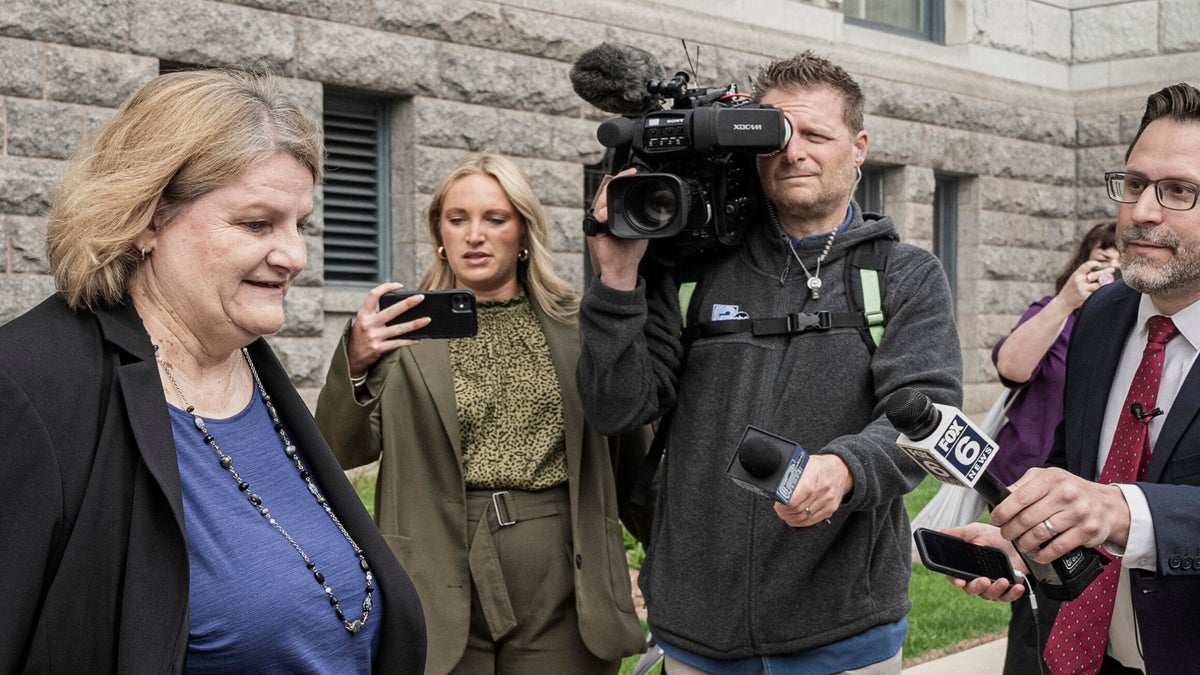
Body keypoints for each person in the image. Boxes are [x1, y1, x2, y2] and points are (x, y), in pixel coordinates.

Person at [0, 70, 426, 673]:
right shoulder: (28, 384)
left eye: (300, 224)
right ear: (148, 218)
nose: (295, 256)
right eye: (256, 224)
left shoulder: (252, 368)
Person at [578, 51, 962, 673]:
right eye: (777, 136)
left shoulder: (903, 274)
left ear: (859, 148)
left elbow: (929, 415)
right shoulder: (690, 270)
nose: (794, 153)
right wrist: (618, 280)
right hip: (697, 632)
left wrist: (844, 470)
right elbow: (616, 408)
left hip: (843, 631)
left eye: (816, 135)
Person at [315, 152, 646, 674]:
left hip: (564, 569)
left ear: (524, 233)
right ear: (439, 233)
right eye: (457, 219)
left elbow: (634, 453)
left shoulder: (579, 326)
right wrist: (355, 363)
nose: (474, 236)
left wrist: (664, 558)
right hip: (435, 564)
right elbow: (338, 452)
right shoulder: (400, 332)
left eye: (495, 219)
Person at [947, 82, 1200, 675]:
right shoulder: (1101, 314)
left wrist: (1120, 511)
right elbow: (1077, 467)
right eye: (1134, 184)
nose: (1142, 212)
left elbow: (1108, 503)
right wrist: (1031, 538)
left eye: (1179, 191)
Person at [989, 221, 1118, 674]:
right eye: (1100, 262)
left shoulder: (1133, 328)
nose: (1109, 274)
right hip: (1035, 484)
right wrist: (1066, 302)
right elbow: (1011, 368)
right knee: (1038, 617)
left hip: (1101, 492)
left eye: (1121, 265)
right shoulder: (1054, 314)